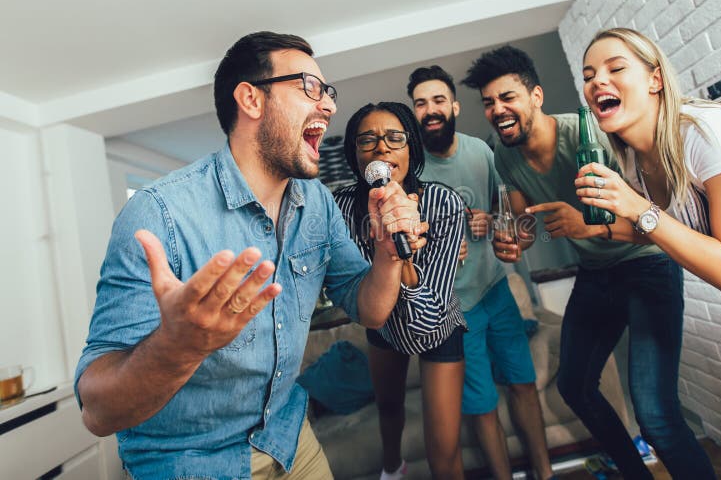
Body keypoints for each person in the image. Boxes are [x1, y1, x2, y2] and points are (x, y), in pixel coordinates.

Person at [74, 31, 425, 480]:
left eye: (328, 93)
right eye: (310, 88)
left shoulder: (316, 202)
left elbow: (370, 309)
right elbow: (98, 413)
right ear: (251, 100)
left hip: (290, 438)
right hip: (190, 462)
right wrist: (179, 346)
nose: (330, 106)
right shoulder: (159, 213)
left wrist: (387, 253)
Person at [462, 45, 716, 479]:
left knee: (655, 414)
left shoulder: (587, 136)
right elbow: (526, 222)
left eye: (507, 97)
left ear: (536, 96)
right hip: (598, 274)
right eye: (488, 103)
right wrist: (509, 240)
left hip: (647, 265)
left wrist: (588, 226)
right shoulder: (504, 155)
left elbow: (655, 222)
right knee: (576, 387)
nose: (497, 110)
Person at [577, 27, 721, 479]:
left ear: (656, 79)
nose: (597, 81)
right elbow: (672, 234)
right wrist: (589, 222)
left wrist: (637, 208)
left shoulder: (706, 134)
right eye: (589, 75)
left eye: (616, 68)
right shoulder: (641, 160)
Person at [407, 65, 556, 480]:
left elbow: (511, 214)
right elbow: (404, 247)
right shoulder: (410, 173)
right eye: (421, 104)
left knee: (523, 384)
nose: (430, 110)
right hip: (454, 309)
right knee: (483, 403)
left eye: (438, 100)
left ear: (454, 106)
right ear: (414, 112)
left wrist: (489, 220)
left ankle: (546, 474)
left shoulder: (481, 151)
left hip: (496, 291)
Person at [333, 101, 466, 480]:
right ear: (355, 155)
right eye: (367, 141)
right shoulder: (339, 209)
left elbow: (426, 319)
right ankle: (393, 469)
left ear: (412, 148)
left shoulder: (443, 203)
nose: (381, 148)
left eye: (395, 137)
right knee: (388, 410)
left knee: (444, 452)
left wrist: (400, 252)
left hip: (437, 324)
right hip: (383, 324)